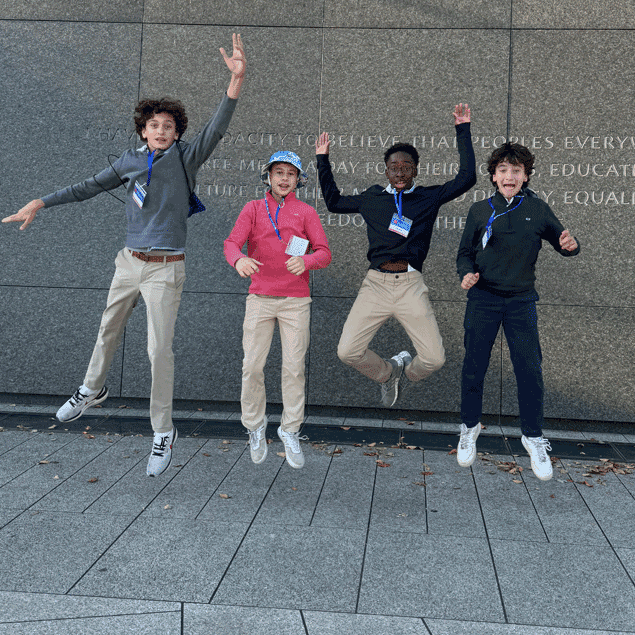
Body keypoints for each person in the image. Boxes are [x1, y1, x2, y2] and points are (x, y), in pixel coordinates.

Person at [2, 34, 246, 477]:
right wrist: (40, 201)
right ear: (142, 130)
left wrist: (236, 81)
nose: (161, 131)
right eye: (155, 125)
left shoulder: (187, 158)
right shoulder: (129, 162)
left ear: (176, 134)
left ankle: (162, 431)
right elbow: (87, 187)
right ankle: (91, 390)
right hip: (129, 262)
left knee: (158, 351)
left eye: (169, 127)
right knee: (107, 330)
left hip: (166, 269)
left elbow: (218, 127)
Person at [315, 104, 476, 408]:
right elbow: (334, 202)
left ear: (416, 169)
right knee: (347, 352)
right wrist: (322, 159)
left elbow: (467, 178)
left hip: (410, 285)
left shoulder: (429, 197)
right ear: (385, 170)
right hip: (375, 285)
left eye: (406, 166)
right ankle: (387, 374)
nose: (399, 171)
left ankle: (405, 373)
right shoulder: (372, 198)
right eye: (394, 166)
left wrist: (462, 129)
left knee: (434, 359)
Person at [455, 142, 580, 481]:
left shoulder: (538, 209)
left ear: (525, 176)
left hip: (521, 302)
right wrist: (465, 273)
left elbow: (563, 241)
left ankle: (533, 436)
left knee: (529, 370)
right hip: (483, 299)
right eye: (503, 170)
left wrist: (571, 246)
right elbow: (464, 253)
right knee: (473, 367)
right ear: (494, 176)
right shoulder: (480, 211)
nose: (509, 176)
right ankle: (469, 428)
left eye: (516, 171)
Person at [224, 151, 331, 469]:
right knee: (252, 366)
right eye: (279, 172)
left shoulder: (306, 212)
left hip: (296, 302)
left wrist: (307, 260)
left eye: (291, 174)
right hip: (259, 298)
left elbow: (324, 252)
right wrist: (239, 259)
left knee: (294, 369)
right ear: (268, 177)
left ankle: (290, 429)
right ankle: (255, 427)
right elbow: (232, 243)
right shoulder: (253, 209)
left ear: (298, 180)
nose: (284, 179)